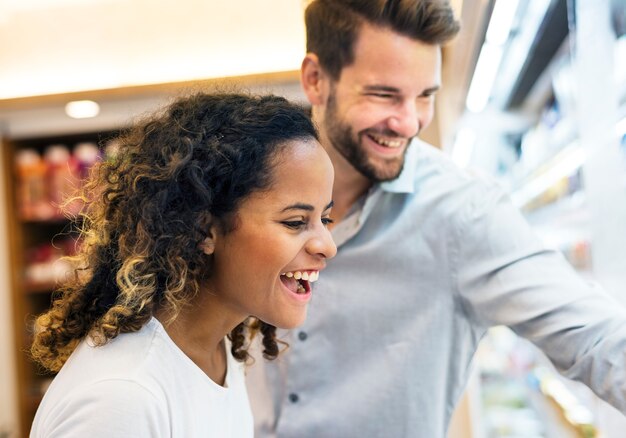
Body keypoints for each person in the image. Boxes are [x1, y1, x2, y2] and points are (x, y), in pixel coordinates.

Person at [246, 1, 626, 437]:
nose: (409, 123)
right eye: (384, 94)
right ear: (316, 79)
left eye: (426, 95)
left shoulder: (463, 214)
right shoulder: (248, 187)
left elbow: (596, 339)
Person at [29, 91, 337, 437]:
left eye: (325, 219)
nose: (327, 246)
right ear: (204, 229)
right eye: (295, 221)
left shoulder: (219, 353)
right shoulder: (123, 398)